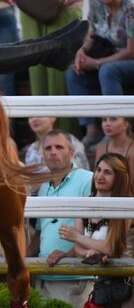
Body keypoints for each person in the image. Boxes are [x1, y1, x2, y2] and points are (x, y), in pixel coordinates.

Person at [46, 153, 133, 307]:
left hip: (125, 284)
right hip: (100, 285)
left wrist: (77, 237)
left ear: (119, 177)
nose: (99, 176)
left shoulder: (125, 205)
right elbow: (80, 249)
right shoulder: (84, 202)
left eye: (107, 172)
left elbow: (112, 248)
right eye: (98, 170)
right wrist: (86, 253)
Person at [66, 0, 134, 147]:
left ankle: (115, 129)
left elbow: (130, 51)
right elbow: (91, 36)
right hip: (107, 60)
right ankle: (91, 130)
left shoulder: (131, 8)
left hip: (128, 61)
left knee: (108, 71)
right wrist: (81, 52)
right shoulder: (97, 6)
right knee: (73, 73)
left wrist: (96, 63)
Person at [29, 129, 93, 307]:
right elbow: (40, 232)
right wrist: (22, 256)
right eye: (48, 148)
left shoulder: (88, 180)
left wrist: (67, 254)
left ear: (71, 153)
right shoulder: (43, 186)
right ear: (43, 155)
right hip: (44, 274)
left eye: (59, 147)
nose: (53, 152)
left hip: (76, 275)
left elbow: (96, 231)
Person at [11, 0, 84, 100]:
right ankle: (40, 118)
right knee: (34, 65)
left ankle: (64, 121)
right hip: (34, 9)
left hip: (63, 7)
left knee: (59, 68)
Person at [24, 116, 89, 173]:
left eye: (40, 115)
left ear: (53, 118)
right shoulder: (32, 149)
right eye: (31, 116)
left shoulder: (71, 141)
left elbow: (80, 172)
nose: (35, 119)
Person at [95, 117, 134, 194]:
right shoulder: (101, 148)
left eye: (113, 119)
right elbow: (95, 179)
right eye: (104, 120)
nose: (107, 124)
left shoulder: (132, 150)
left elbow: (131, 184)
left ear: (126, 124)